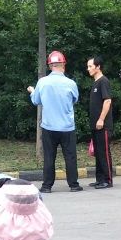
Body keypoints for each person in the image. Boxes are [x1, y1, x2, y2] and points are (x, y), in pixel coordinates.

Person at [27, 50, 84, 194]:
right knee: (70, 157)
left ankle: (47, 186)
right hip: (67, 127)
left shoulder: (42, 82)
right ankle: (73, 185)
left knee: (49, 157)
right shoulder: (71, 83)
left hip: (49, 126)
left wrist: (33, 91)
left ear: (50, 66)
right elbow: (75, 99)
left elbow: (36, 101)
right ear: (63, 65)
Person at [85, 55, 114, 189]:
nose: (88, 69)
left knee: (104, 152)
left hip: (103, 125)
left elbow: (107, 101)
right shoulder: (95, 82)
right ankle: (100, 179)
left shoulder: (103, 81)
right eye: (88, 66)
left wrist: (101, 119)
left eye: (90, 66)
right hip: (95, 125)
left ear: (98, 67)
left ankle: (107, 180)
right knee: (98, 152)